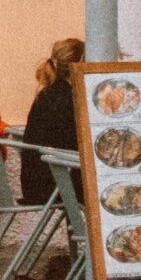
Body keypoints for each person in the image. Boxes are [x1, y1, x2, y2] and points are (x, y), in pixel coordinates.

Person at [18, 38, 84, 206]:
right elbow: (75, 143)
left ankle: (79, 230)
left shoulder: (51, 94)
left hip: (38, 181)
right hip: (53, 184)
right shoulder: (67, 100)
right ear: (80, 65)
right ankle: (82, 231)